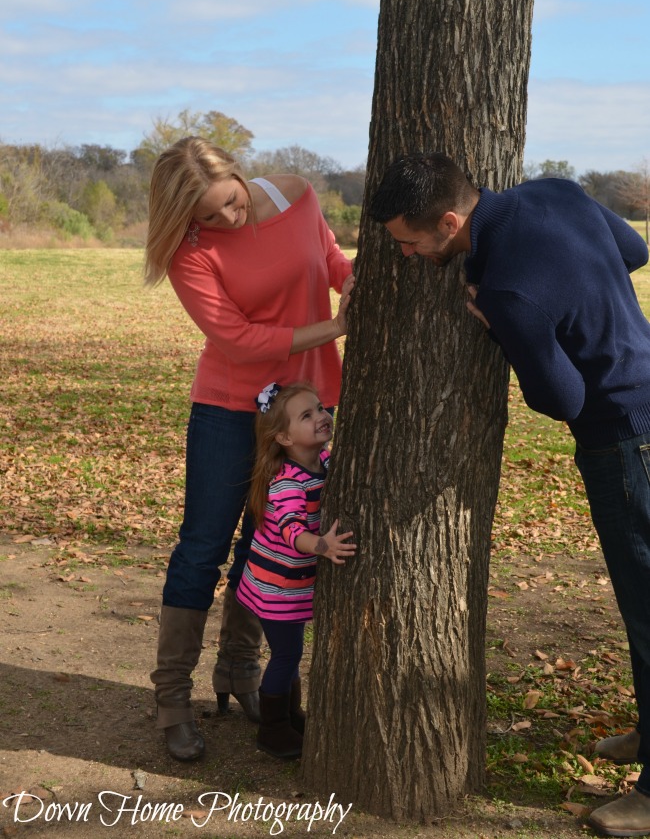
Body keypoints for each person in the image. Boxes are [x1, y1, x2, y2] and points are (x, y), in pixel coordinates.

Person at [369, 151, 650, 839]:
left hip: (625, 442)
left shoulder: (508, 294)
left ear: (449, 220)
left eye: (408, 242)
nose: (404, 255)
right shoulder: (556, 192)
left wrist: (506, 330)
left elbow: (562, 397)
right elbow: (634, 248)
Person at [145, 138, 354, 762]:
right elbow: (236, 340)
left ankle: (240, 671)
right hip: (229, 408)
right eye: (211, 217)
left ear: (240, 175)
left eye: (232, 203)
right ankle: (172, 700)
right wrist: (336, 328)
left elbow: (331, 262)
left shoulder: (295, 194)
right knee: (202, 548)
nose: (228, 221)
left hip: (303, 407)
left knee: (268, 541)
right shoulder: (188, 249)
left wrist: (358, 282)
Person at [236, 381, 356, 759]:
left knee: (289, 651)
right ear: (284, 437)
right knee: (286, 654)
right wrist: (324, 546)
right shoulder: (287, 482)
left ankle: (288, 715)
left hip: (289, 583)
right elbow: (292, 530)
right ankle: (272, 729)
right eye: (308, 415)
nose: (322, 416)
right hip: (275, 586)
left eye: (321, 408)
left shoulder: (322, 461)